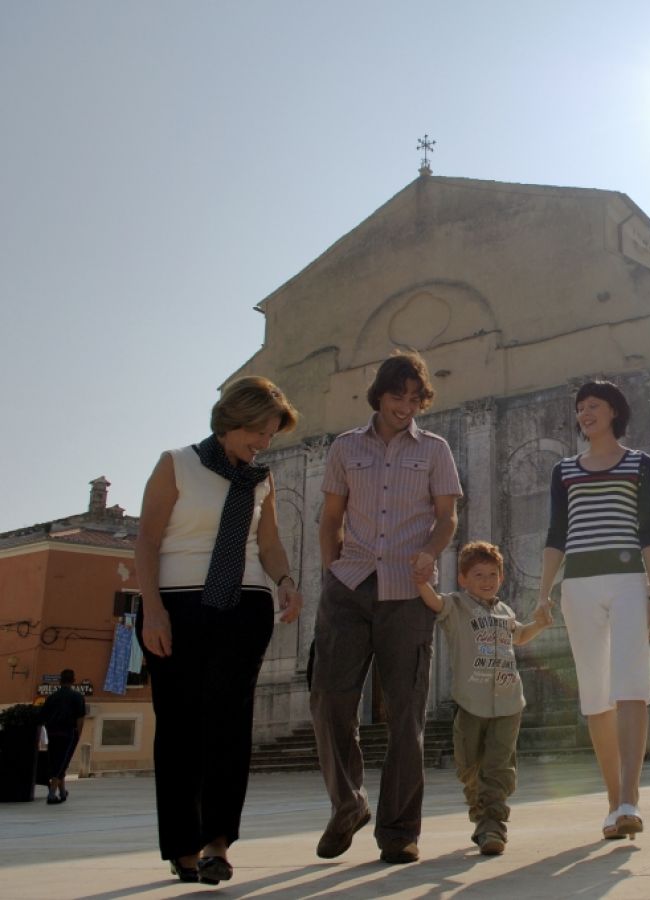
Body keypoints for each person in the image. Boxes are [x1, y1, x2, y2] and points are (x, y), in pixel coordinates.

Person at [134, 376, 303, 884]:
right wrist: (154, 611)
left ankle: (217, 843)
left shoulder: (261, 479)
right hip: (179, 606)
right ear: (232, 420)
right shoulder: (176, 464)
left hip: (245, 607)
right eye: (258, 432)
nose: (264, 443)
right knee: (181, 728)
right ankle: (182, 844)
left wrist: (286, 580)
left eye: (270, 435)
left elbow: (268, 542)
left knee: (229, 728)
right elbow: (146, 541)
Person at [311, 350, 462, 865]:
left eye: (416, 398)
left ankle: (398, 831)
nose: (406, 406)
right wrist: (331, 572)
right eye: (398, 396)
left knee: (406, 714)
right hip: (349, 585)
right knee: (330, 699)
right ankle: (348, 802)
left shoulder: (436, 449)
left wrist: (431, 551)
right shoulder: (345, 447)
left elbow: (448, 517)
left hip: (408, 591)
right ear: (380, 395)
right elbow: (330, 517)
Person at [535, 380, 650, 841]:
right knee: (595, 692)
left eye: (594, 406)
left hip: (629, 582)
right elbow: (556, 533)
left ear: (614, 412)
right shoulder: (564, 470)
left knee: (631, 684)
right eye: (580, 408)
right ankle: (613, 805)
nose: (585, 413)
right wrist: (543, 594)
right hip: (579, 587)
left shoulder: (639, 464)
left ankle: (630, 798)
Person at [412, 541, 552, 856]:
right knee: (468, 767)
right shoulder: (456, 606)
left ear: (501, 578)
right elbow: (434, 602)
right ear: (463, 578)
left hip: (508, 703)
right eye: (478, 575)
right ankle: (481, 811)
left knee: (499, 767)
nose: (487, 581)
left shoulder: (505, 611)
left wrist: (539, 624)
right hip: (470, 702)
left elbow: (520, 635)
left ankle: (493, 827)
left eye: (492, 574)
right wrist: (421, 581)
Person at [39, 669, 85, 805]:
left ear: (60, 681)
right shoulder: (77, 697)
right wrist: (78, 734)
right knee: (62, 763)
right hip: (68, 733)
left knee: (56, 761)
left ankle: (63, 792)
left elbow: (43, 717)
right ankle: (52, 795)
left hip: (53, 732)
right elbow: (80, 718)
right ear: (73, 680)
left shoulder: (52, 697)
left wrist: (49, 730)